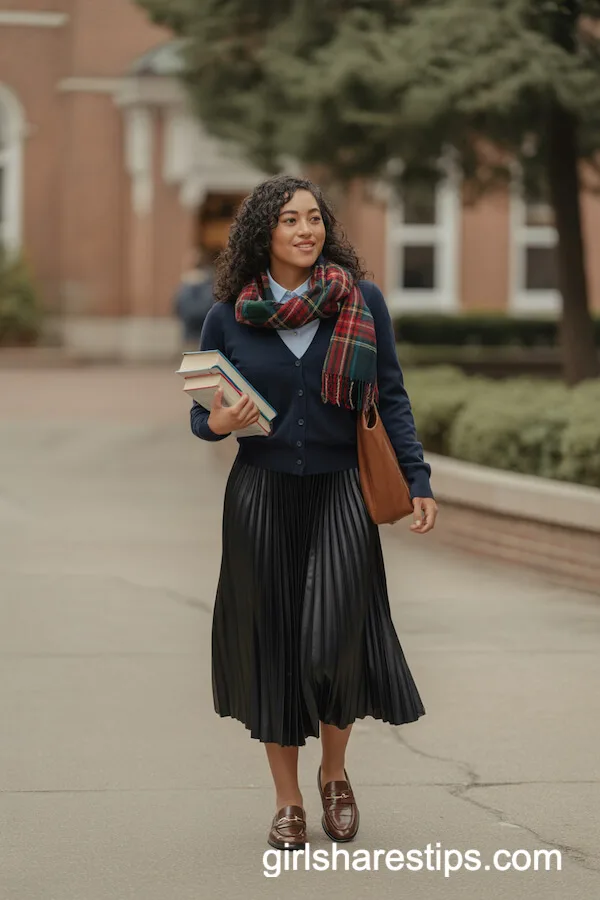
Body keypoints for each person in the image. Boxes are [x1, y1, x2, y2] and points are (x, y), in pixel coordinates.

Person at [190, 175, 438, 851]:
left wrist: (417, 477)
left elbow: (390, 396)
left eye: (315, 218)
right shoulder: (226, 315)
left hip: (341, 490)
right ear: (263, 233)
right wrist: (219, 422)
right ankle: (288, 800)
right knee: (273, 645)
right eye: (291, 220)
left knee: (336, 639)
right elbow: (201, 417)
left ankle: (333, 772)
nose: (306, 230)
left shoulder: (361, 300)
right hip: (261, 493)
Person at [172, 248, 216, 349]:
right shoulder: (210, 283)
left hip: (188, 333)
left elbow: (176, 307)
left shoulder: (184, 285)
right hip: (205, 333)